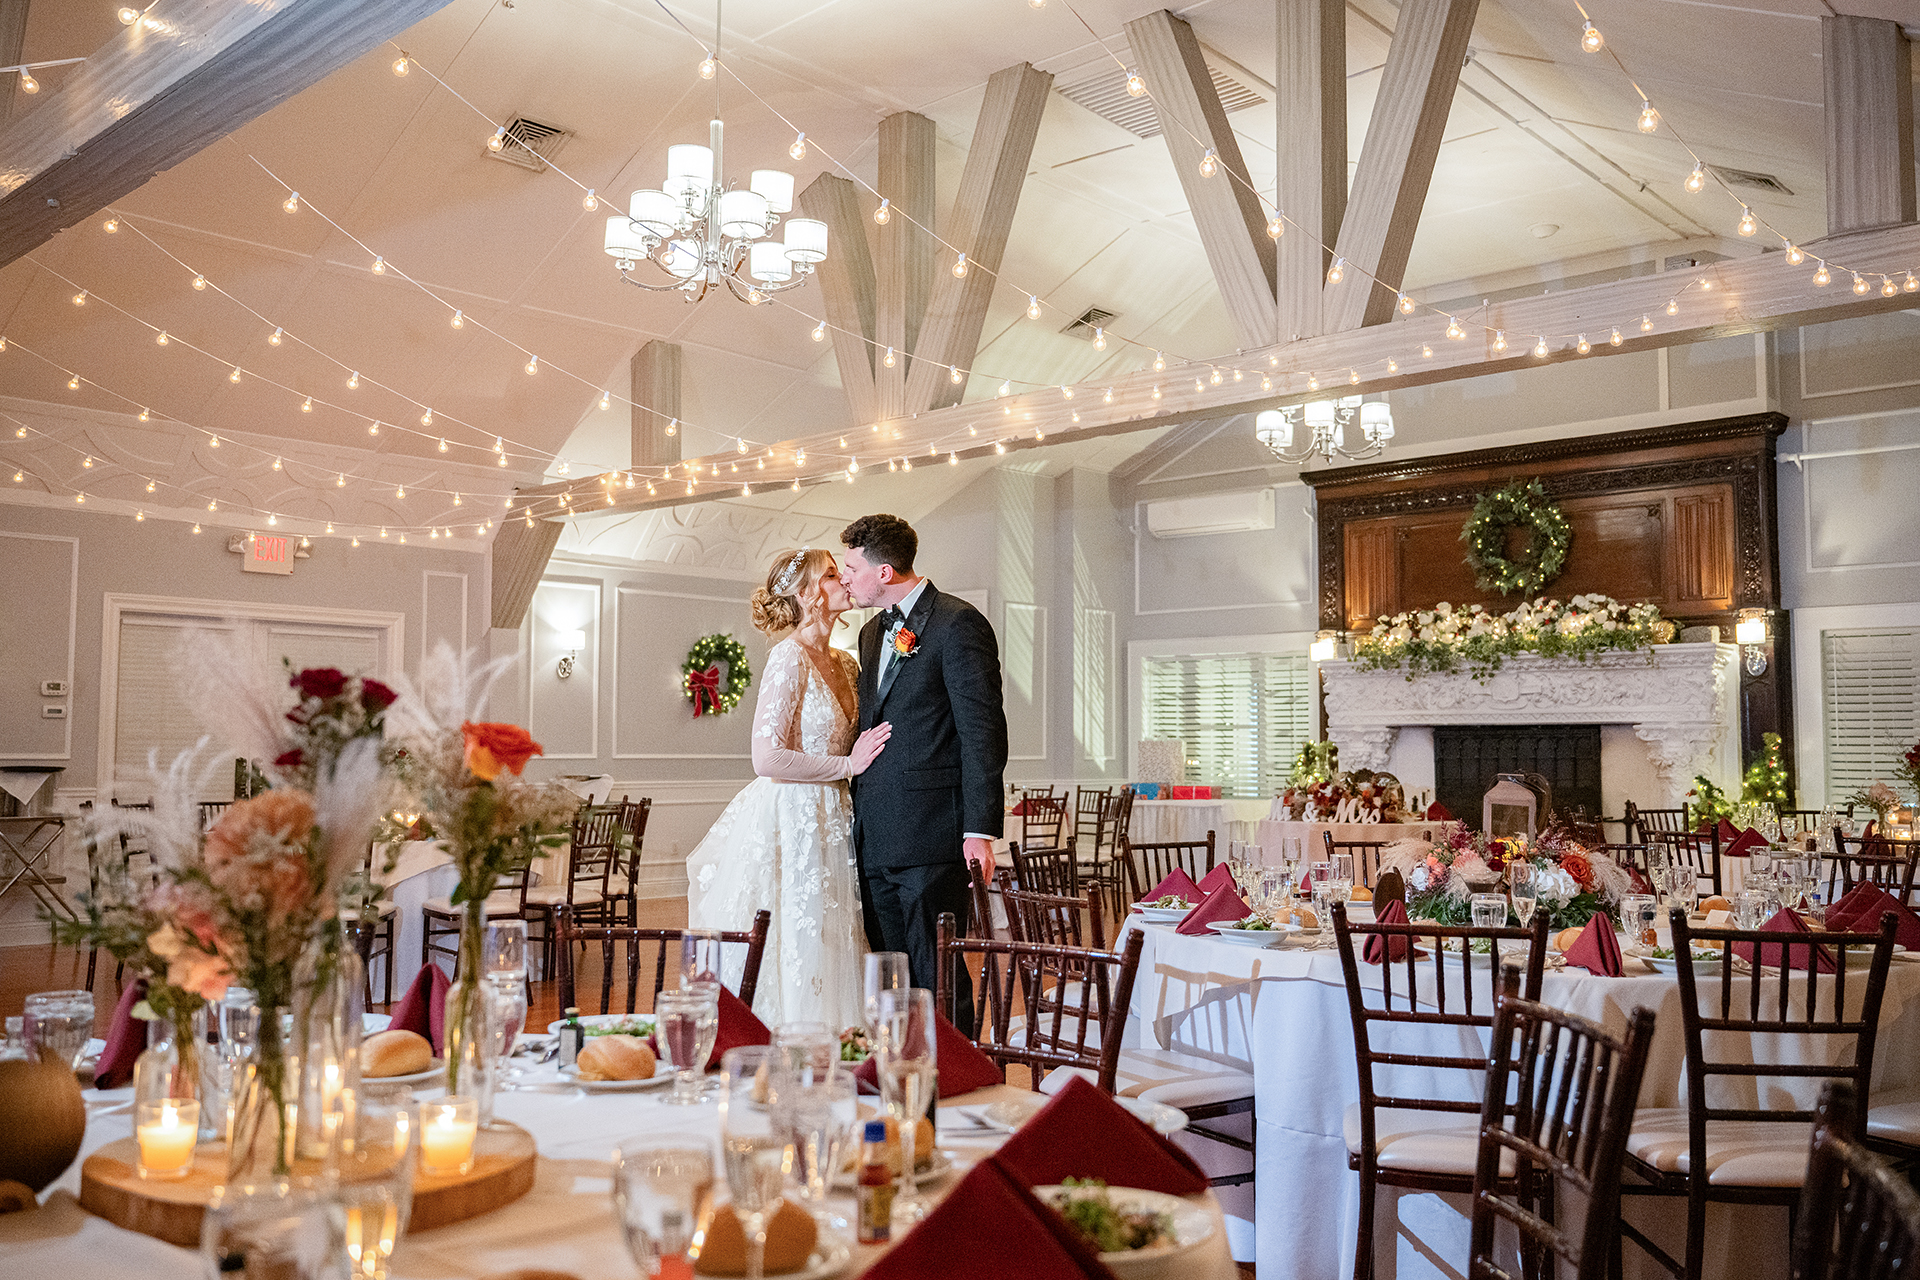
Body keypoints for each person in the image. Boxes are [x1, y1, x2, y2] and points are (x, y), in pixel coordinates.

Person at [685, 547, 890, 1030]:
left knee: (837, 933)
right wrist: (847, 764)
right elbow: (766, 758)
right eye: (832, 575)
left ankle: (841, 1043)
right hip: (795, 816)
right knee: (799, 933)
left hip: (838, 814)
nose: (844, 581)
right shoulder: (788, 657)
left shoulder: (847, 663)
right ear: (806, 594)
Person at [839, 514, 1007, 1031]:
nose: (845, 578)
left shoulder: (958, 623)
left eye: (851, 568)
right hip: (875, 834)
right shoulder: (871, 633)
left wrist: (979, 831)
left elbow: (983, 733)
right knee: (892, 976)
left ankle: (956, 1072)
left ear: (884, 572)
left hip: (933, 836)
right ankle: (902, 1068)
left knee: (938, 976)